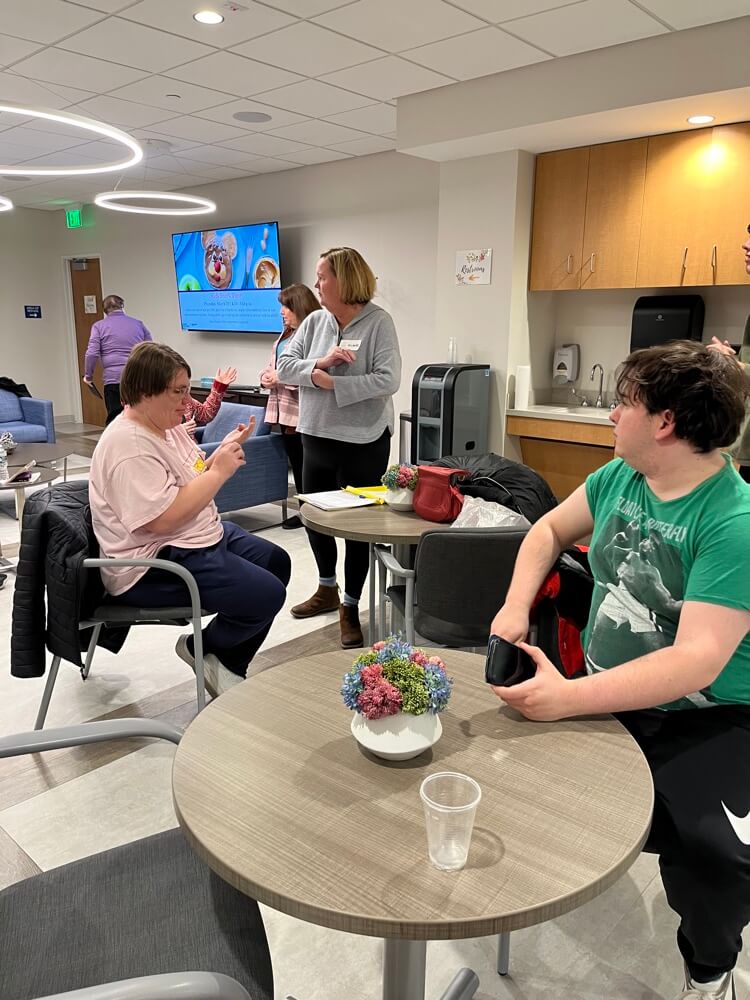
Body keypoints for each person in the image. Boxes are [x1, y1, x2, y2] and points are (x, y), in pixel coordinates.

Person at [489, 341, 750, 1000]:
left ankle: (710, 969)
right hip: (607, 693)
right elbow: (548, 530)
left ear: (664, 422)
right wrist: (516, 607)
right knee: (500, 772)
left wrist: (567, 699)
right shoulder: (617, 479)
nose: (611, 417)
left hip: (711, 715)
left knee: (717, 856)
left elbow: (696, 662)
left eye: (623, 403)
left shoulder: (734, 521)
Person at [89, 341, 291, 698]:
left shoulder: (164, 427)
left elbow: (191, 475)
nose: (188, 402)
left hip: (193, 537)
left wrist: (220, 454)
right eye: (179, 392)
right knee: (266, 595)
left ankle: (218, 658)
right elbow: (162, 522)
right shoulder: (129, 446)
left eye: (187, 390)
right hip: (155, 560)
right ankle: (206, 650)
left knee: (277, 562)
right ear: (145, 393)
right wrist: (220, 474)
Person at [277, 247, 401, 648]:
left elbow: (388, 379)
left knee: (356, 528)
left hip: (364, 439)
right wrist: (322, 365)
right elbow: (283, 367)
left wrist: (336, 385)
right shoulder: (314, 321)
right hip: (316, 435)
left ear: (345, 280)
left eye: (322, 277)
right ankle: (327, 587)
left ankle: (350, 605)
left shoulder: (379, 323)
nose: (317, 285)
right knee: (316, 517)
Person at [259, 284, 321, 530]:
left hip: (302, 411)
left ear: (300, 307)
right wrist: (265, 376)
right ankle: (305, 511)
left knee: (307, 464)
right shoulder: (285, 335)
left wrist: (279, 378)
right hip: (283, 411)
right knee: (296, 462)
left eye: (286, 307)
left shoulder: (311, 335)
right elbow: (274, 364)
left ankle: (313, 513)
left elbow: (312, 372)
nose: (282, 312)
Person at [83, 295, 152, 424]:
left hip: (113, 381)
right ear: (122, 306)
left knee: (115, 419)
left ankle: (116, 442)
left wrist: (88, 376)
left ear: (105, 311)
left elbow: (92, 353)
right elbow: (150, 350)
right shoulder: (138, 324)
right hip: (136, 379)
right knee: (139, 418)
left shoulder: (98, 326)